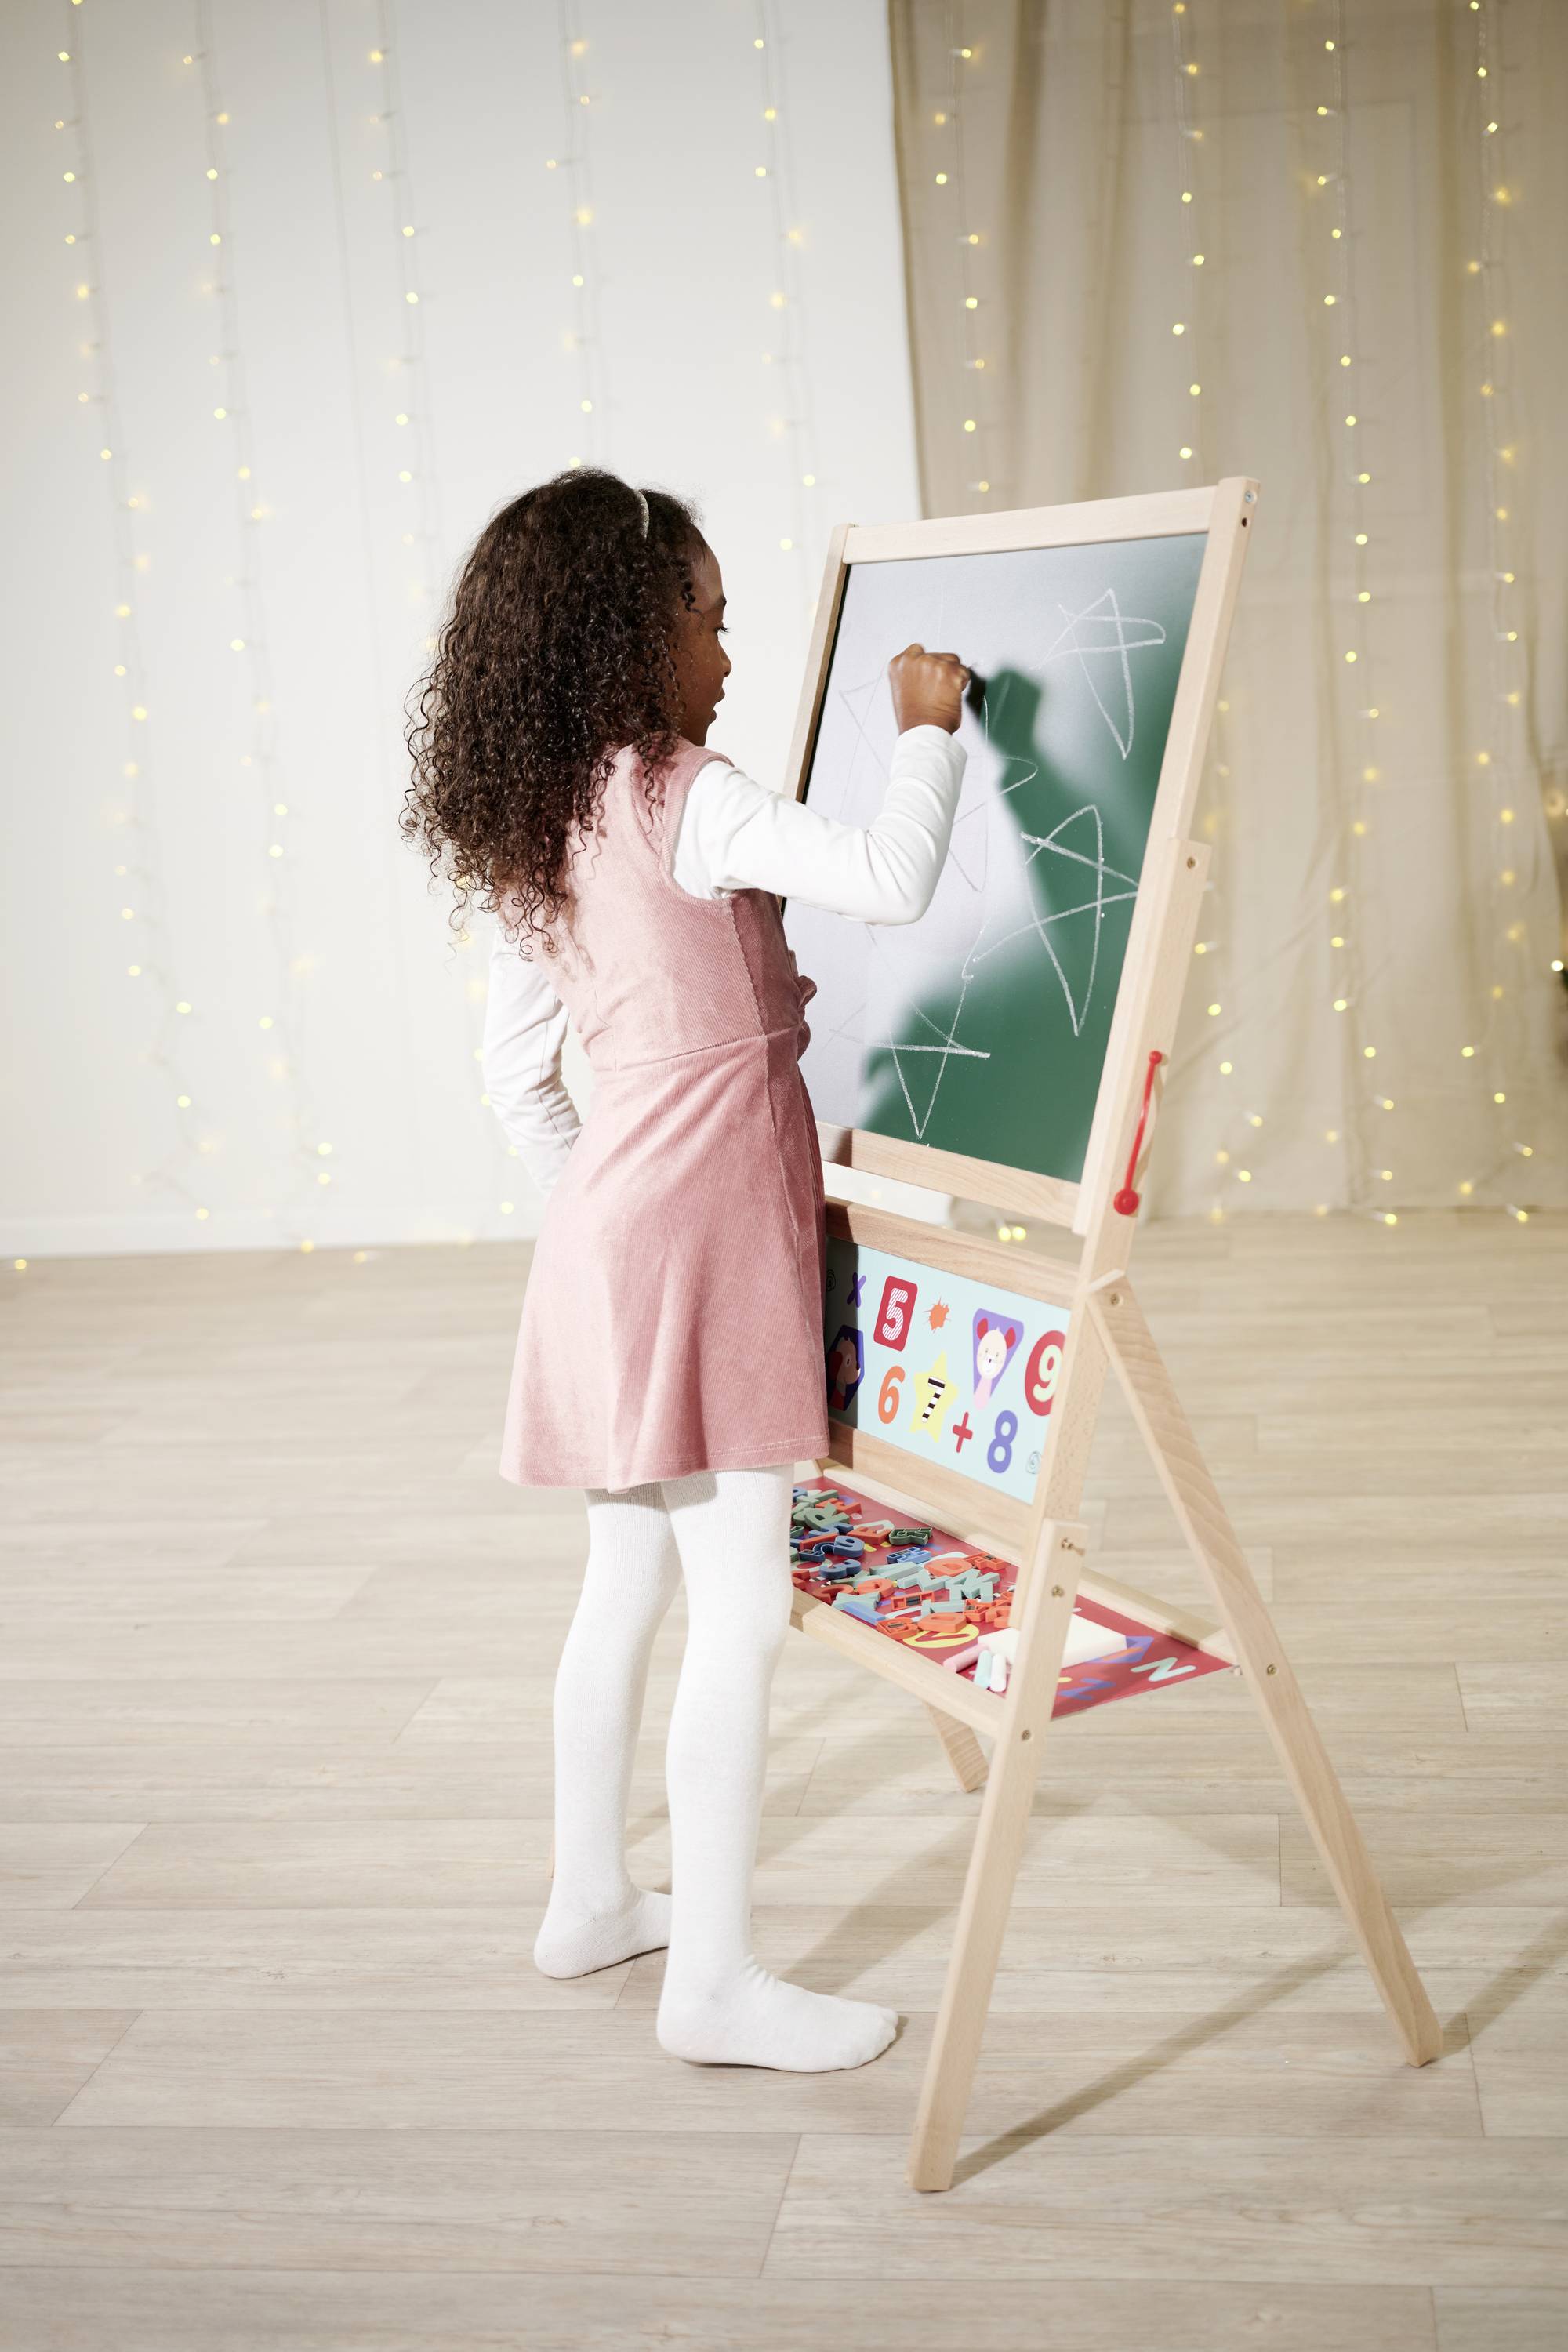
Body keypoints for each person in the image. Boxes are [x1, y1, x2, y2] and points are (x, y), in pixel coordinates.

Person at [404, 467, 967, 2072]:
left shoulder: (545, 812)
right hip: (702, 1240)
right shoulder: (681, 792)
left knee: (625, 1583)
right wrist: (926, 725)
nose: (730, 653)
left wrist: (602, 1230)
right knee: (743, 1609)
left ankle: (590, 1898)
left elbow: (518, 1079)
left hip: (604, 1244)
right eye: (709, 619)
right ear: (629, 632)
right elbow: (888, 877)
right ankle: (711, 1986)